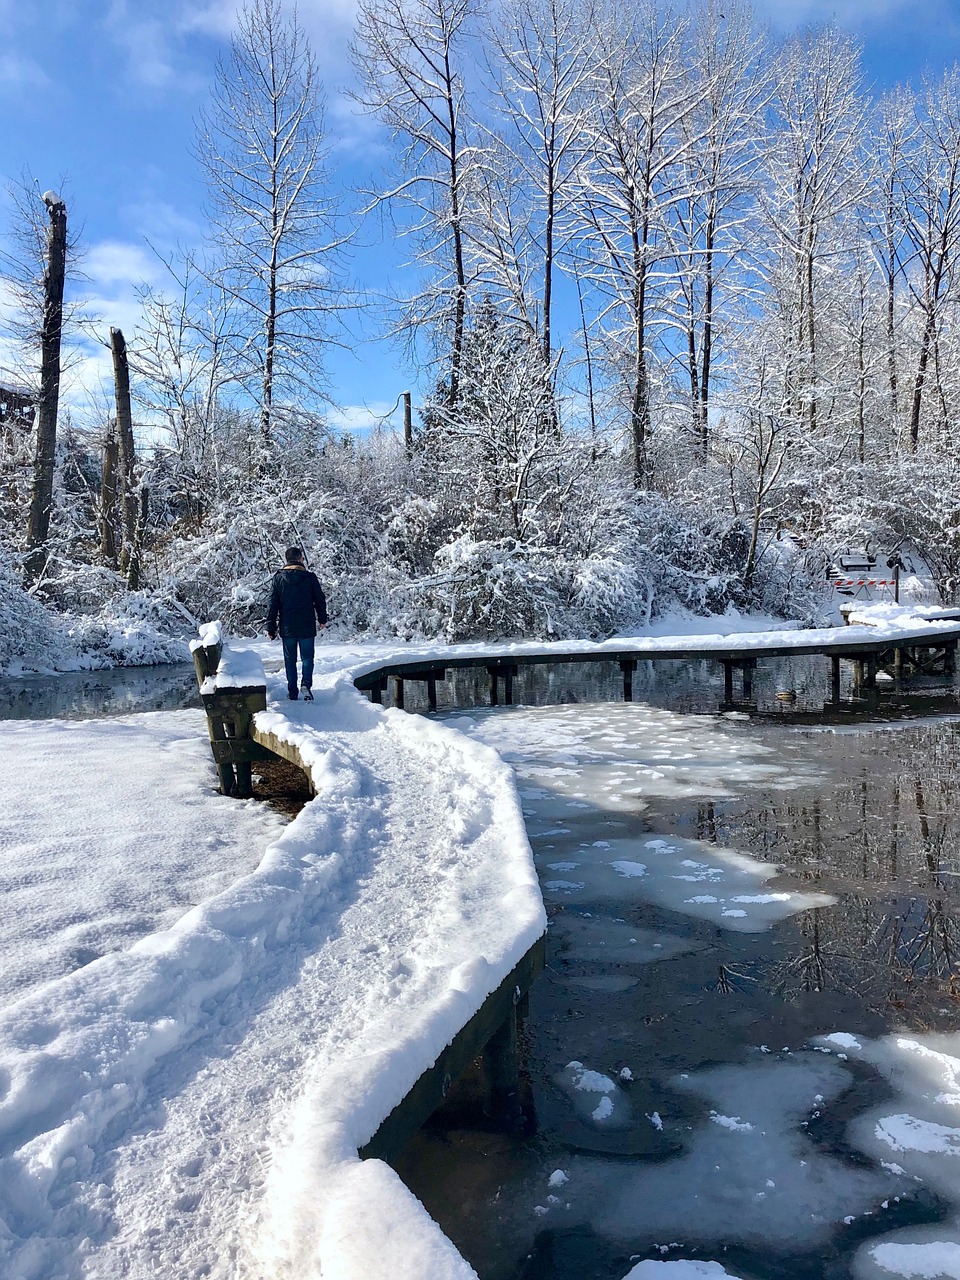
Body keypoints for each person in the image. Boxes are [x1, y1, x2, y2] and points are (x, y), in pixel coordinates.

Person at [267, 547, 328, 701]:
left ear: (286, 560)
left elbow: (272, 604)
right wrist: (322, 619)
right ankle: (306, 685)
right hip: (306, 625)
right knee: (307, 658)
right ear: (301, 559)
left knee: (290, 660)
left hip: (287, 627)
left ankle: (292, 691)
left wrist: (271, 627)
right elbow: (319, 599)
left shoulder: (278, 578)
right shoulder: (310, 578)